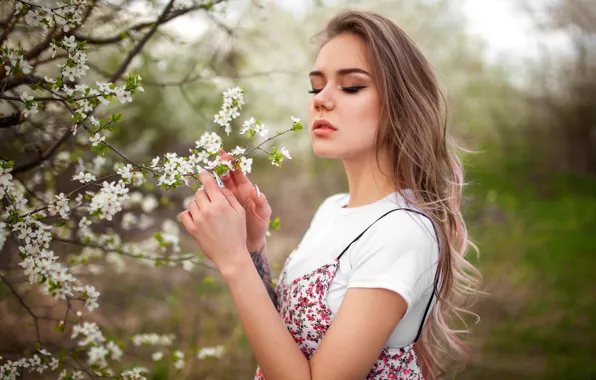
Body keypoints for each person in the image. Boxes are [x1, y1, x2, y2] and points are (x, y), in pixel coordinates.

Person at [179, 9, 481, 380]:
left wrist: (233, 263)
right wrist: (250, 246)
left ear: (400, 107)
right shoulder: (332, 208)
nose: (321, 99)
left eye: (351, 86)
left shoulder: (401, 232)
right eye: (316, 86)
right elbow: (287, 339)